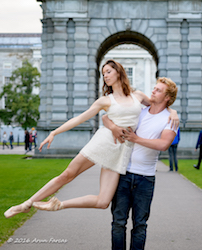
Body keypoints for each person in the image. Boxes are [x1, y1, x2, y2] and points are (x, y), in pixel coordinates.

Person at [4, 60, 178, 219]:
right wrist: (54, 133)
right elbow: (79, 119)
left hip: (120, 151)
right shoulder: (105, 100)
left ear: (118, 72)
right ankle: (26, 204)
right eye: (103, 73)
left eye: (108, 71)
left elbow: (158, 104)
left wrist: (173, 112)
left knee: (103, 202)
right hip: (103, 142)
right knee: (68, 174)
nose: (105, 76)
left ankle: (58, 205)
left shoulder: (137, 95)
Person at [102, 77, 178, 250]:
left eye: (158, 90)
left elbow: (164, 145)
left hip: (145, 179)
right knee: (118, 222)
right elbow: (106, 117)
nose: (153, 91)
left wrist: (136, 139)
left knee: (140, 225)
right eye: (154, 88)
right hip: (123, 174)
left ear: (167, 97)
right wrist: (114, 128)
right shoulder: (139, 111)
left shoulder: (170, 119)